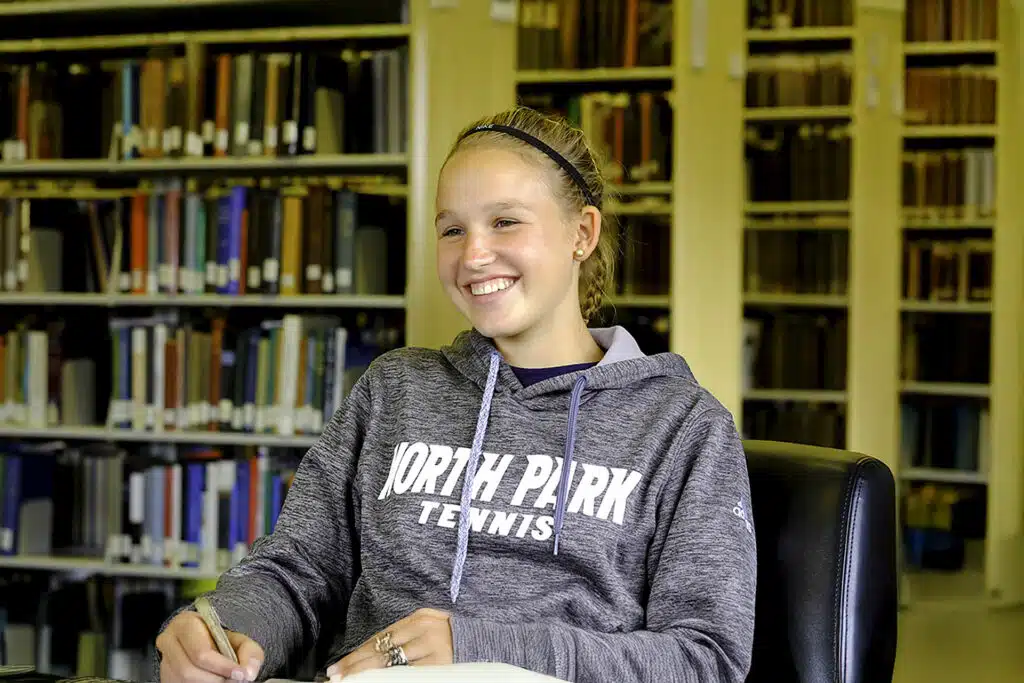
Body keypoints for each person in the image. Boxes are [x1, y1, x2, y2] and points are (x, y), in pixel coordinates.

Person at [156, 106, 757, 683]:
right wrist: (223, 627)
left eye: (505, 221)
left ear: (583, 231)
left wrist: (475, 646)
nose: (473, 255)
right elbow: (299, 569)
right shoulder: (395, 389)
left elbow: (705, 660)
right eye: (451, 229)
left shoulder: (684, 428)